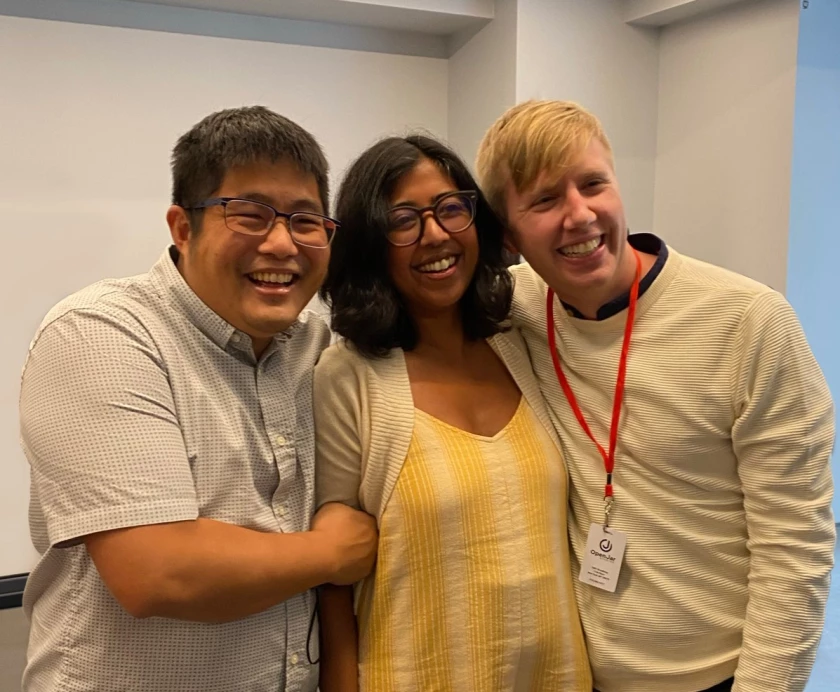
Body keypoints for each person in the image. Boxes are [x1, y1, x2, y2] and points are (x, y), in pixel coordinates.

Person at [474, 99, 836, 692]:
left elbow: (795, 546)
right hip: (577, 674)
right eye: (544, 200)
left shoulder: (750, 321)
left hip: (719, 676)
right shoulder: (514, 308)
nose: (580, 215)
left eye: (594, 184)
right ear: (508, 235)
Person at [18, 106, 378, 692]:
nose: (283, 243)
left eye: (306, 221)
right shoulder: (100, 334)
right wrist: (334, 551)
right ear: (183, 228)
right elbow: (158, 571)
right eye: (250, 215)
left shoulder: (318, 345)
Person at [313, 134, 592, 691]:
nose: (435, 234)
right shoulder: (348, 377)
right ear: (371, 242)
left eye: (450, 209)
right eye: (403, 220)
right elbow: (333, 576)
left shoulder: (521, 344)